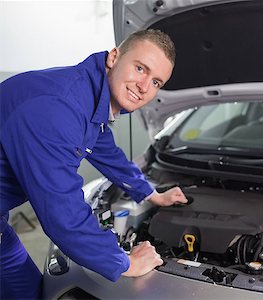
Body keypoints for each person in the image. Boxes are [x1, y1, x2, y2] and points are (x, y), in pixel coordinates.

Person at [0, 29, 187, 299]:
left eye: (156, 82)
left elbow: (106, 151)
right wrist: (126, 263)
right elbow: (62, 215)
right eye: (140, 68)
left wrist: (149, 194)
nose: (144, 87)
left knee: (27, 291)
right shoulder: (60, 109)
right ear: (114, 57)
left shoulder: (89, 99)